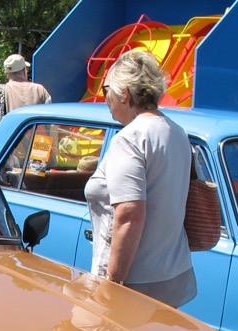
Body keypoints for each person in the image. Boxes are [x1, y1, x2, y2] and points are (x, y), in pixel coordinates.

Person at [83, 49, 196, 308]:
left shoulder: (130, 138)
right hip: (172, 275)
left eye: (106, 90)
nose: (105, 98)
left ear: (124, 93)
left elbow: (129, 214)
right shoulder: (177, 132)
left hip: (134, 284)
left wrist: (113, 283)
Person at [0, 53, 51, 138]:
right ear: (24, 70)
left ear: (6, 73)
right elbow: (50, 124)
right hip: (36, 146)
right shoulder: (40, 90)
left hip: (10, 147)